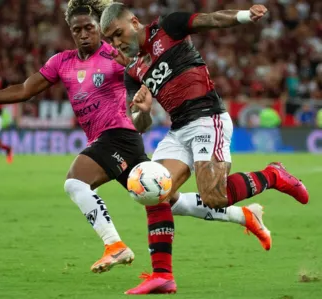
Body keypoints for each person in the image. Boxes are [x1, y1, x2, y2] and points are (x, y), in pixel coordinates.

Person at [0, 0, 272, 277]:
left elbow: (141, 47)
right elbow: (25, 90)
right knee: (167, 200)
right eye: (77, 29)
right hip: (118, 141)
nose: (83, 34)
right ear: (70, 30)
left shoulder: (117, 54)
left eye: (89, 27)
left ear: (99, 27)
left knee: (75, 182)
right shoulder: (61, 62)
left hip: (119, 134)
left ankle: (115, 245)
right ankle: (243, 215)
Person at [101, 3, 309, 294]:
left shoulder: (168, 27)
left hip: (206, 118)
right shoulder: (133, 72)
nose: (116, 42)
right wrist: (144, 110)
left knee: (215, 197)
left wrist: (245, 16)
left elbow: (211, 19)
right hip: (178, 130)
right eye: (109, 39)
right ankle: (162, 275)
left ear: (134, 22)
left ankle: (273, 175)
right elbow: (140, 123)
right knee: (154, 190)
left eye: (117, 33)